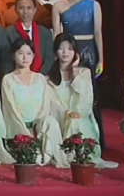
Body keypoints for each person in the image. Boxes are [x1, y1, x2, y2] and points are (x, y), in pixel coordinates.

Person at [52, 0, 105, 147]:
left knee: (90, 95)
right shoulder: (58, 6)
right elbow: (57, 35)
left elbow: (98, 33)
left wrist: (101, 59)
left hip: (88, 51)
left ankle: (94, 139)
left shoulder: (93, 5)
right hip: (67, 50)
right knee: (68, 91)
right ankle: (69, 135)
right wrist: (58, 54)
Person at [48, 34, 117, 168]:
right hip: (60, 119)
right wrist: (67, 113)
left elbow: (86, 101)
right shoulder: (49, 78)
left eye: (70, 48)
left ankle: (80, 157)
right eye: (61, 48)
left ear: (75, 52)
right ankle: (69, 156)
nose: (65, 52)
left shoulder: (84, 73)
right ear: (55, 53)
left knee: (76, 121)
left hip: (81, 117)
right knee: (71, 120)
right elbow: (52, 103)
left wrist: (75, 72)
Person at [0, 38, 68, 168]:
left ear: (34, 56)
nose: (25, 57)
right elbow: (10, 110)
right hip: (19, 129)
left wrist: (37, 128)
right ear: (13, 55)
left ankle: (48, 151)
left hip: (38, 128)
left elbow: (46, 105)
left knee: (51, 121)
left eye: (29, 53)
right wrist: (26, 132)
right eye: (20, 53)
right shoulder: (8, 79)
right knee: (32, 157)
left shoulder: (40, 78)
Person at [5, 0, 54, 75]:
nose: (25, 12)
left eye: (29, 8)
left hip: (41, 77)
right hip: (16, 76)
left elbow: (49, 59)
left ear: (35, 10)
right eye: (21, 8)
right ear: (16, 10)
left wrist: (39, 76)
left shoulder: (45, 33)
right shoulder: (8, 32)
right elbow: (6, 59)